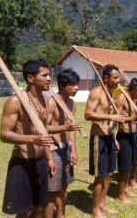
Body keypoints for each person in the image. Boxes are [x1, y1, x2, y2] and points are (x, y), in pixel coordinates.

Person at [0, 59, 55, 217]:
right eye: (44, 75)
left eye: (49, 75)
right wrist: (32, 139)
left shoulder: (48, 102)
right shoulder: (15, 101)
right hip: (22, 161)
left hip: (41, 161)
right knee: (25, 210)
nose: (49, 78)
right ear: (30, 78)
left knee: (40, 207)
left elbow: (44, 132)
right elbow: (4, 134)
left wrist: (50, 158)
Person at [84, 64, 125, 218]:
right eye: (115, 77)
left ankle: (102, 205)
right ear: (106, 78)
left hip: (108, 137)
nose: (118, 80)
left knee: (108, 174)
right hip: (98, 139)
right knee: (100, 175)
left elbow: (111, 122)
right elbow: (88, 115)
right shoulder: (97, 91)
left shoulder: (110, 93)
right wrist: (110, 116)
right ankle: (95, 210)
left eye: (118, 77)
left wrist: (113, 138)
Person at [46, 69, 82, 218]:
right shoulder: (51, 102)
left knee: (64, 186)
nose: (76, 88)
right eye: (72, 85)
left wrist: (73, 150)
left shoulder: (72, 103)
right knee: (52, 190)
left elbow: (71, 129)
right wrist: (64, 127)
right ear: (62, 85)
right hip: (53, 149)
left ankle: (61, 215)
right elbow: (43, 128)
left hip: (66, 148)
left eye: (77, 84)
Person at [115, 78, 137, 205]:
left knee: (131, 164)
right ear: (134, 89)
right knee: (124, 166)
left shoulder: (134, 99)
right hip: (124, 135)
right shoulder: (121, 98)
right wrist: (134, 117)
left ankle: (125, 190)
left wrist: (136, 136)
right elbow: (117, 118)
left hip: (133, 134)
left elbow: (134, 120)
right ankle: (120, 195)